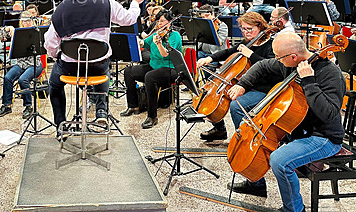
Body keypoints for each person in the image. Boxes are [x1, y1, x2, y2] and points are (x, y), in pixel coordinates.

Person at [226, 32, 345, 210]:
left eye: (278, 56)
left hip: (323, 137)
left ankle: (294, 209)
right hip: (297, 130)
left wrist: (309, 81)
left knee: (279, 160)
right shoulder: (289, 64)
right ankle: (256, 184)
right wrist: (243, 84)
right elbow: (262, 66)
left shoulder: (330, 74)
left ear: (293, 56)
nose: (276, 60)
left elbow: (328, 114)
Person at [44, 0, 144, 136]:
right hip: (98, 64)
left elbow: (49, 42)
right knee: (104, 66)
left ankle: (61, 126)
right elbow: (129, 19)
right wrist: (135, 3)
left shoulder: (61, 7)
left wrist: (57, 56)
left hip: (70, 66)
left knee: (55, 86)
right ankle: (101, 111)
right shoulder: (106, 2)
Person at [197, 11, 275, 141]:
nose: (246, 32)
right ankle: (219, 129)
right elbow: (228, 51)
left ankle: (244, 139)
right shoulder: (247, 43)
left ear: (260, 27)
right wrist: (210, 58)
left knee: (236, 105)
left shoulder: (271, 45)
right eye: (243, 29)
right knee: (209, 98)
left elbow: (271, 68)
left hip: (263, 87)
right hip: (246, 84)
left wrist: (250, 54)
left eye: (249, 29)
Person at [121, 11, 182, 128]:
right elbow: (144, 42)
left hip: (170, 69)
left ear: (169, 22)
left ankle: (152, 116)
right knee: (128, 71)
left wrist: (159, 44)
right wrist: (135, 40)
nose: (160, 23)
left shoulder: (175, 36)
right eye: (158, 21)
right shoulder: (157, 33)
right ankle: (133, 106)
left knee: (150, 77)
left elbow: (166, 55)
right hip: (154, 66)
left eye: (163, 21)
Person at [0, 11, 43, 120]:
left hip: (35, 64)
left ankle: (28, 106)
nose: (26, 23)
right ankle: (7, 105)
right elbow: (1, 36)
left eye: (28, 20)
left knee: (23, 80)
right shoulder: (18, 32)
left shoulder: (37, 31)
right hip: (21, 64)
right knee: (7, 77)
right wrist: (7, 29)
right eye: (24, 21)